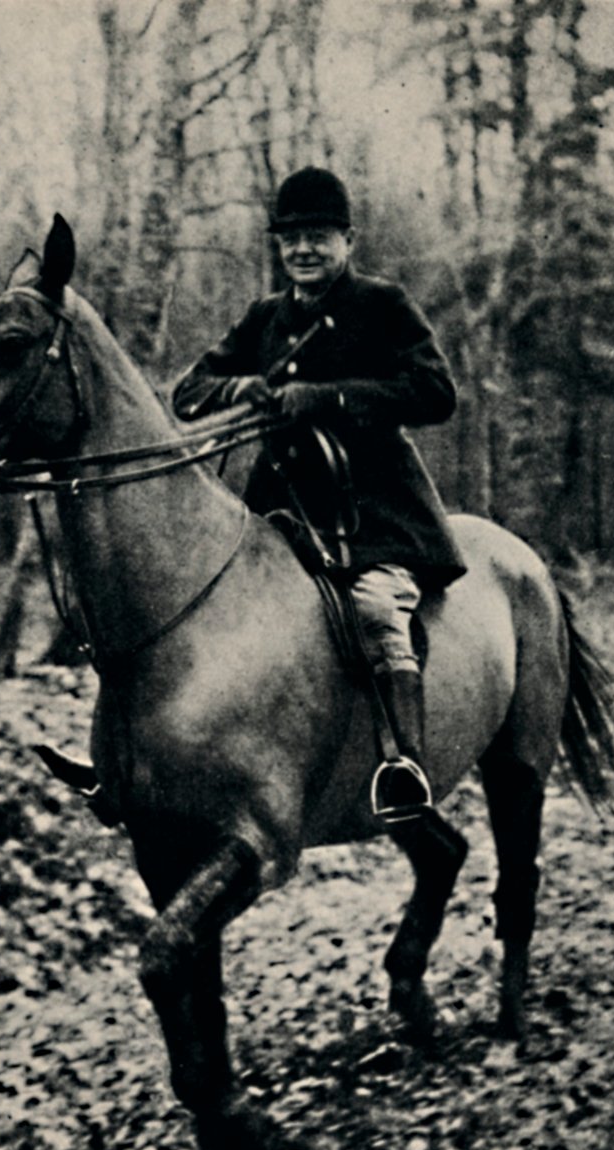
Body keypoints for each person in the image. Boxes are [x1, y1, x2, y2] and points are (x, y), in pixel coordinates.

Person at [172, 166, 466, 811]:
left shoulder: (382, 305)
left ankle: (404, 768)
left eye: (319, 237)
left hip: (375, 508)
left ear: (348, 241)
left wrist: (330, 397)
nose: (303, 250)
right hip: (281, 508)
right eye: (291, 239)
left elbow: (436, 394)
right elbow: (187, 393)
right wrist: (234, 387)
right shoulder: (264, 317)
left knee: (375, 610)